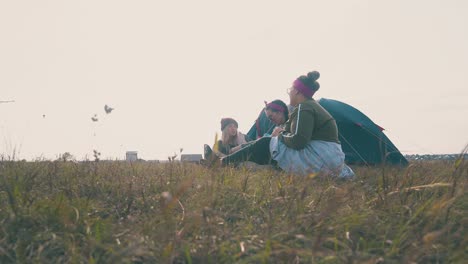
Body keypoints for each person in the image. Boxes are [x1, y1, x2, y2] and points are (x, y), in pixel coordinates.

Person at [221, 71, 355, 178]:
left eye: (290, 89)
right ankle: (226, 160)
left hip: (323, 157)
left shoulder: (304, 107)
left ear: (297, 91)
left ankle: (222, 163)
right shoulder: (311, 106)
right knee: (269, 144)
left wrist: (280, 135)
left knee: (266, 143)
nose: (289, 92)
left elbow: (299, 141)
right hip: (330, 158)